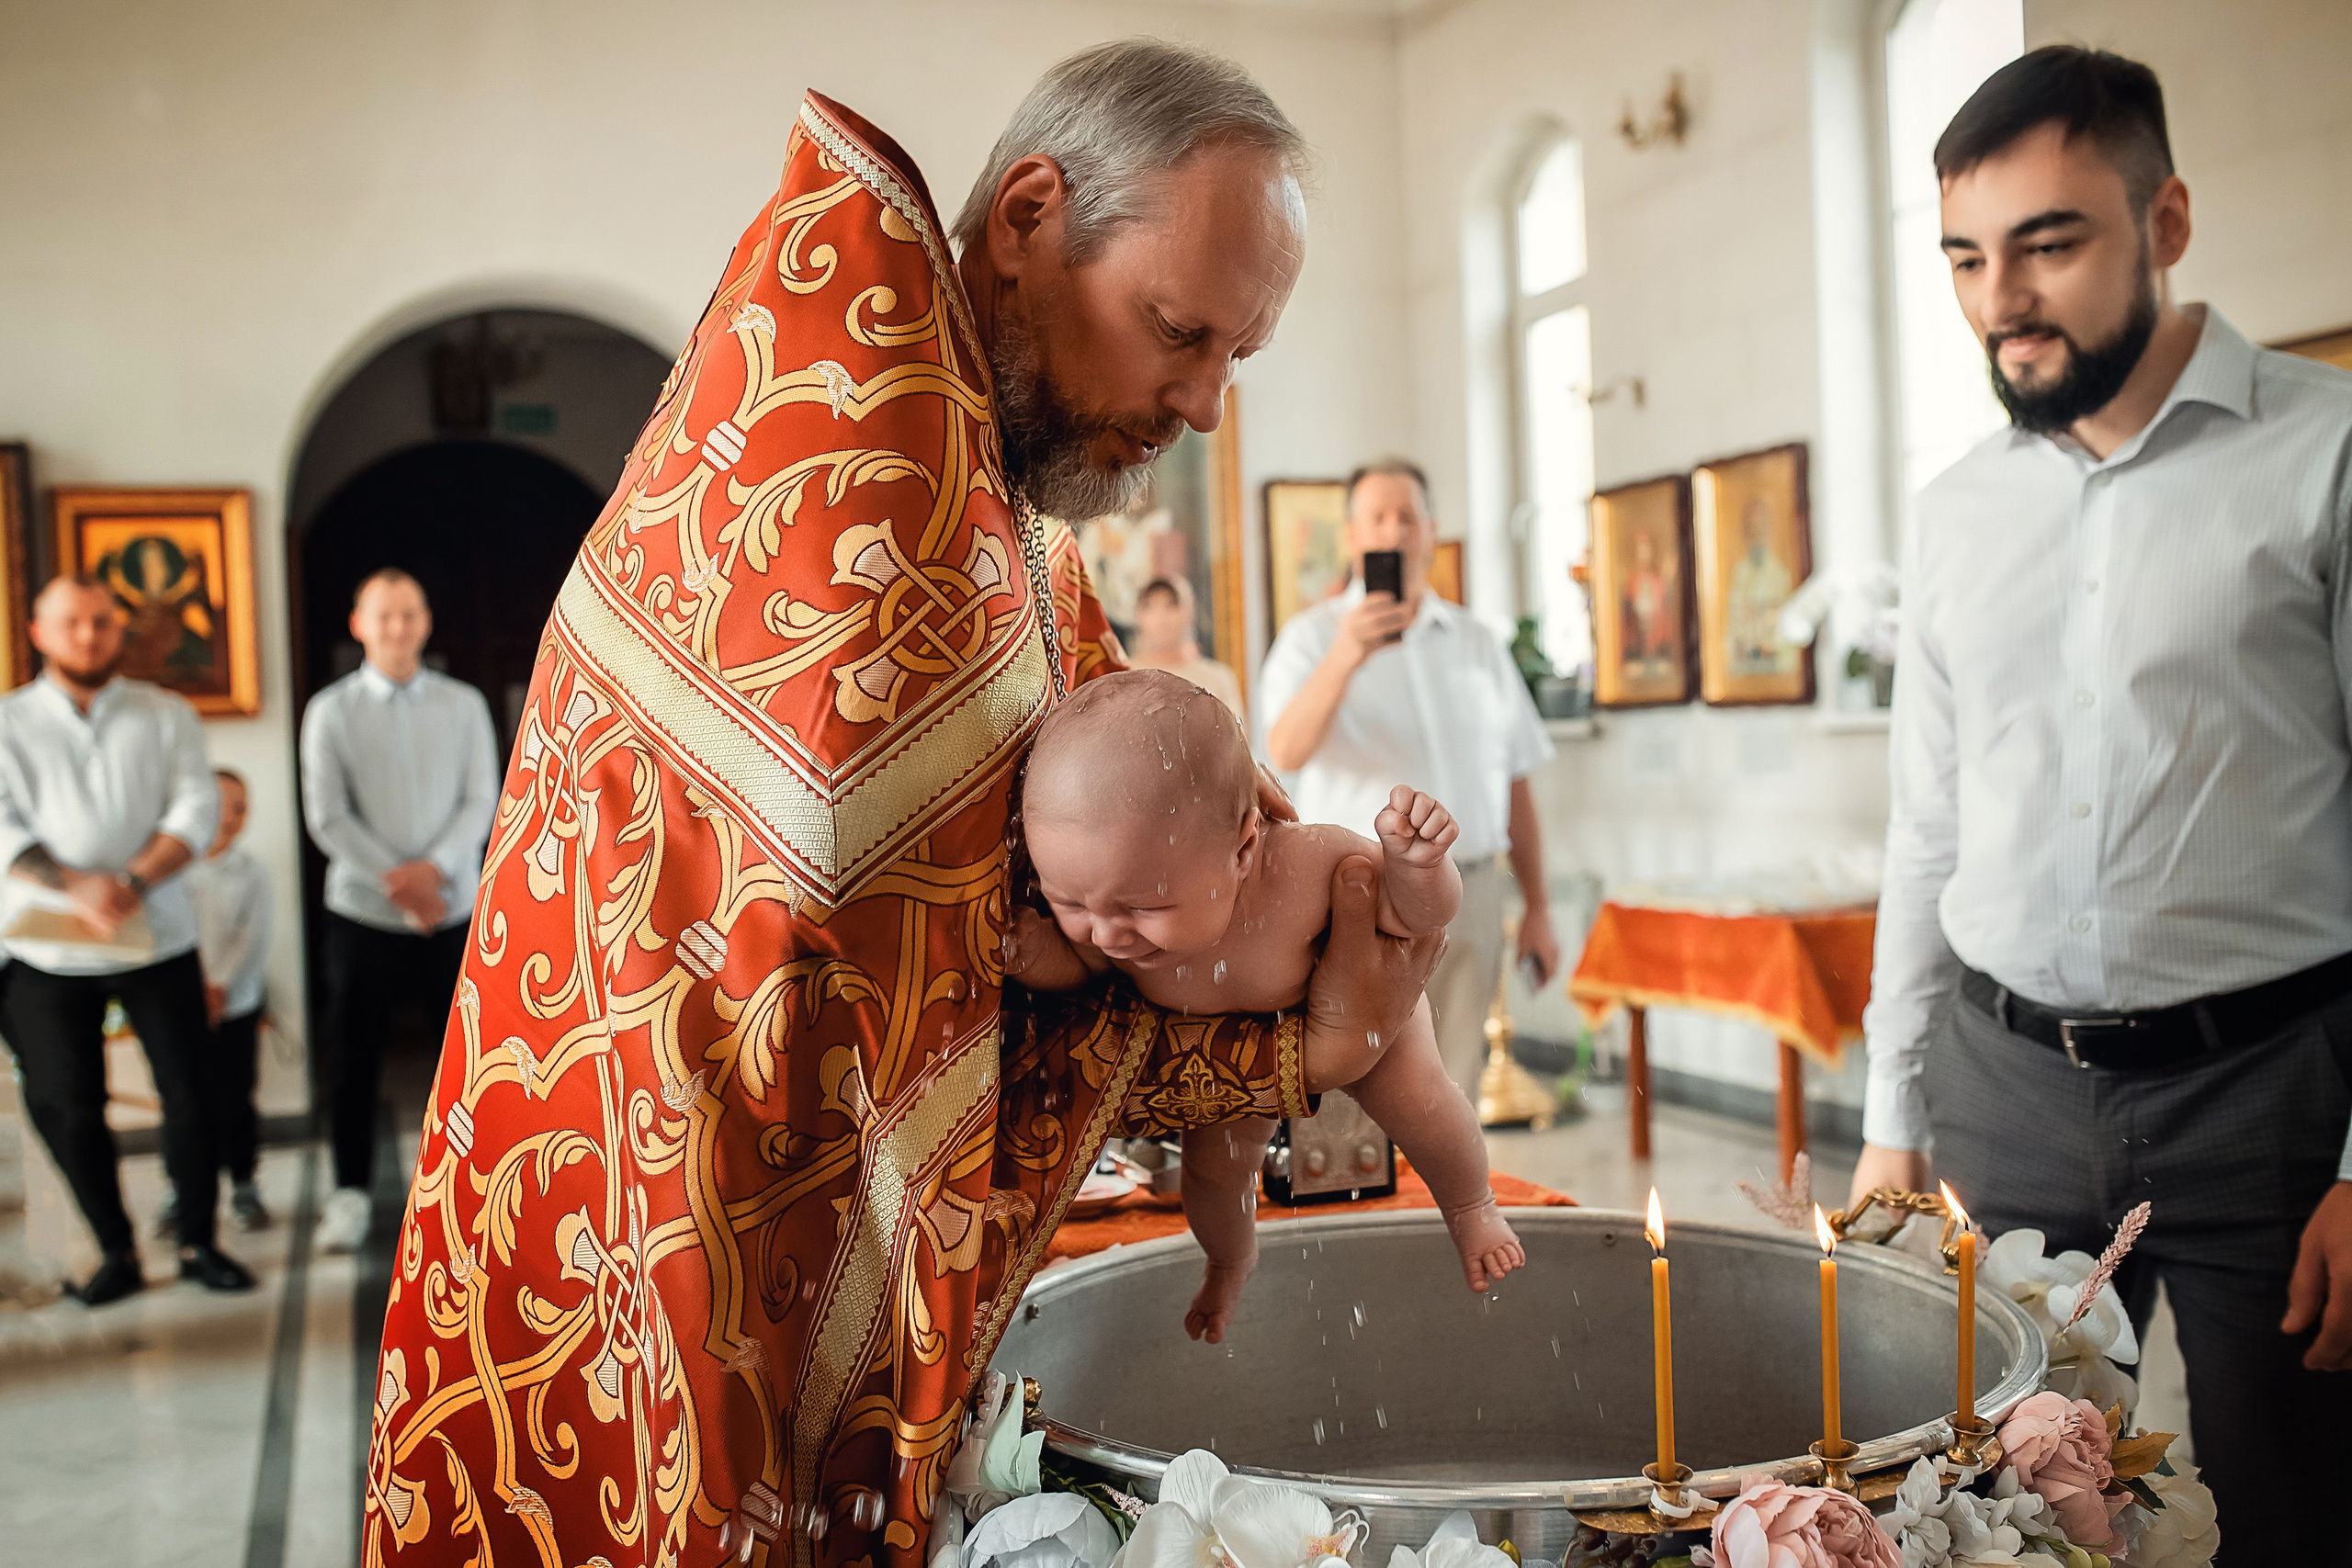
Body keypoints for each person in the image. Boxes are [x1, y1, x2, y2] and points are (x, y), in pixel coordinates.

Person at [368, 45, 1445, 1568]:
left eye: (1237, 359)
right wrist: (1287, 1040)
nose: (1204, 404)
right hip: (666, 1261)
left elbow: (1138, 857)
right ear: (1026, 213)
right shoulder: (862, 483)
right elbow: (939, 1027)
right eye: (1177, 333)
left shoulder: (999, 502)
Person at [1851, 47, 2352, 1560]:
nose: (2002, 296)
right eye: (1965, 257)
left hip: (2264, 1090)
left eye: (2049, 243)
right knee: (1998, 1509)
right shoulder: (1955, 514)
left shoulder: (2325, 455)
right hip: (2006, 1098)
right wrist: (1890, 1116)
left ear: (2168, 218)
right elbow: (1926, 825)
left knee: (2293, 1503)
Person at [1007, 671, 1523, 1337]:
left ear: (1245, 847)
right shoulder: (1116, 909)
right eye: (1069, 901)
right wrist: (1033, 951)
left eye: (1143, 907)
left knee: (1424, 1105)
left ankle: (1471, 1207)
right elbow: (1078, 967)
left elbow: (1410, 918)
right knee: (1213, 1178)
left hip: (1372, 1020)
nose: (1105, 932)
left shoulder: (1309, 862)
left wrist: (1419, 867)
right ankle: (1229, 1259)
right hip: (1222, 1054)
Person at [1260, 460, 1561, 1095]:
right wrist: (1347, 655)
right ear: (1351, 537)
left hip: (1473, 890)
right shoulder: (1310, 639)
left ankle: (1440, 1196)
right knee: (1355, 1091)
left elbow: (1515, 781)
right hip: (1359, 898)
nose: (1393, 531)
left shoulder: (1478, 641)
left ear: (1430, 531)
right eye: (1377, 517)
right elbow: (1282, 749)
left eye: (1407, 517)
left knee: (1452, 1089)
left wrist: (1538, 904)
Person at [0, 575, 251, 1303]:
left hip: (156, 936)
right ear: (39, 631)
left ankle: (201, 1240)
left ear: (121, 631)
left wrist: (132, 881)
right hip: (48, 946)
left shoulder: (167, 712)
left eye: (103, 622)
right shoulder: (9, 721)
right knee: (63, 1101)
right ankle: (115, 1249)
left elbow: (197, 804)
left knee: (191, 1093)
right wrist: (75, 885)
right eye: (72, 622)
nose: (89, 635)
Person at [300, 568, 498, 1253]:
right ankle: (351, 1193)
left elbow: (481, 799)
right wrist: (400, 881)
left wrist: (434, 872)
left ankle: (469, 1189)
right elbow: (328, 816)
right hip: (364, 910)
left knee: (469, 1057)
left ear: (426, 620)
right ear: (358, 623)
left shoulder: (463, 702)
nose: (397, 627)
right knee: (354, 1057)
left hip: (452, 904)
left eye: (408, 613)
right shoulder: (331, 709)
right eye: (383, 615)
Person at [177, 766, 272, 1233]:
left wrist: (220, 987)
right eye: (221, 805)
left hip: (237, 1002)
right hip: (182, 1004)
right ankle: (184, 1190)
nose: (230, 816)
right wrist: (198, 989)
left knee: (236, 1097)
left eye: (240, 806)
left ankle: (243, 1185)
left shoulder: (252, 871)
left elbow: (251, 937)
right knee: (185, 1102)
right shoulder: (177, 867)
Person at [1127, 573, 1245, 725]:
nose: (1160, 617)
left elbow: (1236, 741)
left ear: (1189, 611)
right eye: (1149, 607)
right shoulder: (1123, 678)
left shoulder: (1218, 679)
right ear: (1138, 616)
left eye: (1171, 605)